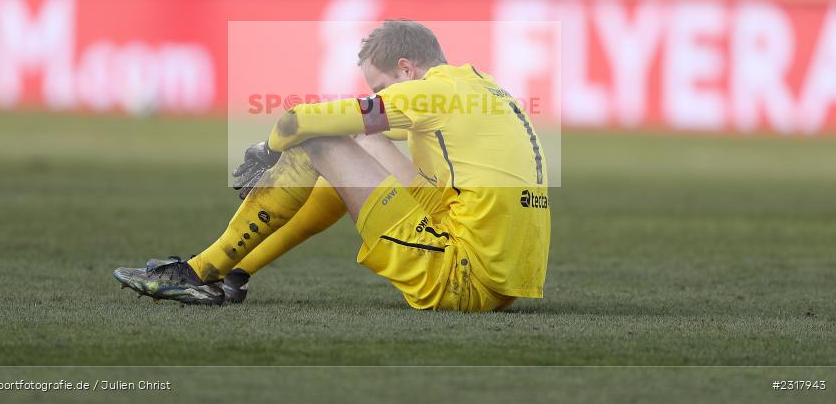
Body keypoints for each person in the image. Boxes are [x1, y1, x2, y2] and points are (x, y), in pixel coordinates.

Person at [114, 20, 551, 312]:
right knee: (357, 143)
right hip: (502, 283)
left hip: (461, 277)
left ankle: (199, 271)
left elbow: (296, 120)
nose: (379, 96)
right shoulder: (484, 88)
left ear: (406, 68)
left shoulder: (428, 94)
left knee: (318, 142)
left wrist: (266, 151)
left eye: (380, 88)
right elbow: (362, 141)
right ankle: (235, 272)